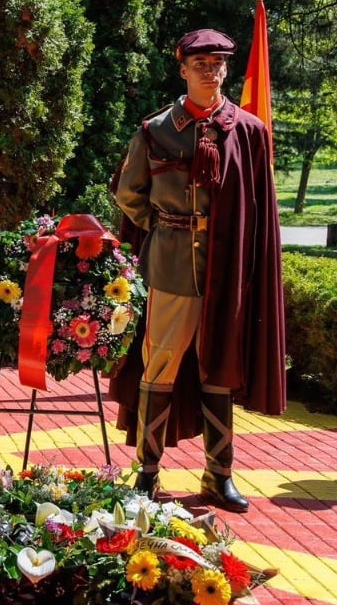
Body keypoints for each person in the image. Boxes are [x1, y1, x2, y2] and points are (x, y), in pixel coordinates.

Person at [111, 28, 285, 512]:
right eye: (201, 64)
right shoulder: (155, 131)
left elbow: (259, 204)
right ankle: (146, 472)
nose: (211, 71)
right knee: (159, 363)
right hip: (170, 267)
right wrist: (165, 227)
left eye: (219, 63)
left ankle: (219, 475)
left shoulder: (248, 131)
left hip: (227, 269)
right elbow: (129, 194)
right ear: (182, 67)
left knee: (220, 367)